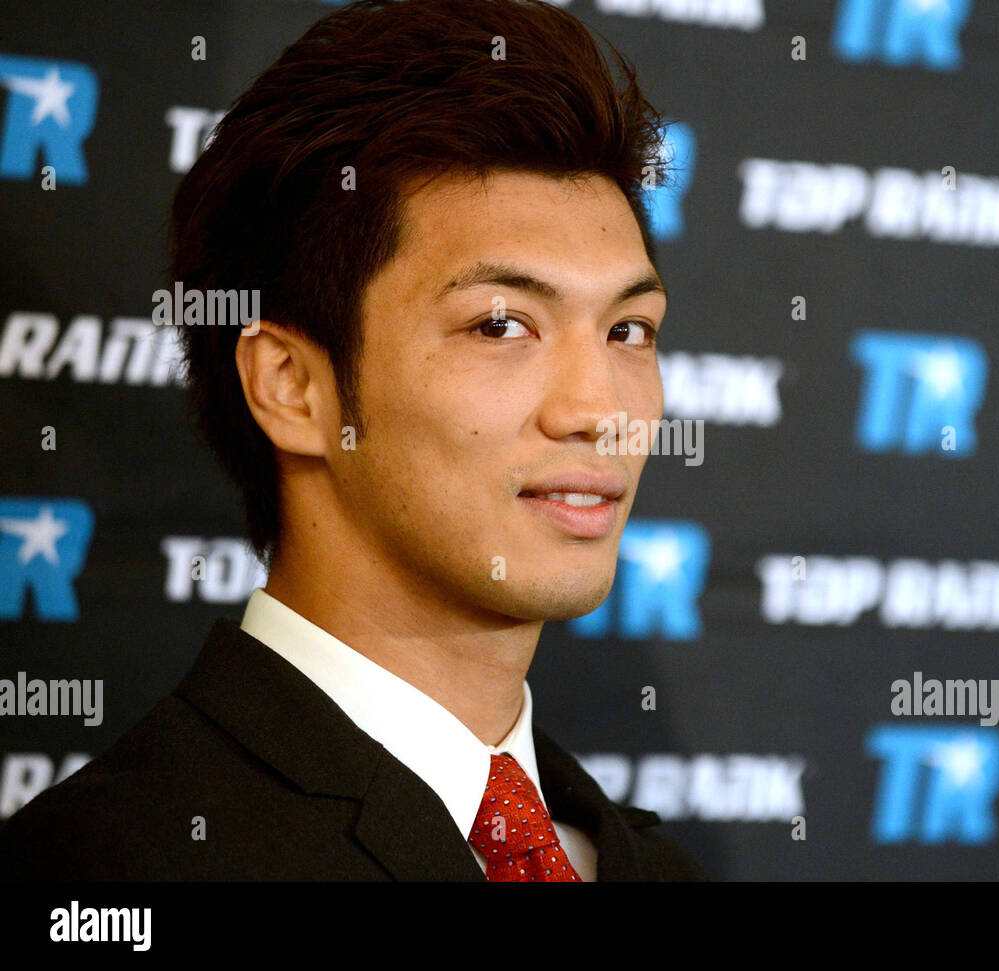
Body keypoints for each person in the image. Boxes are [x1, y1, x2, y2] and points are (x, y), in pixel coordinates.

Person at [0, 0, 704, 882]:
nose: (601, 407)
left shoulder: (660, 869)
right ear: (291, 387)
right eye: (499, 325)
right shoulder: (103, 866)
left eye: (629, 331)